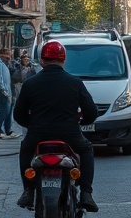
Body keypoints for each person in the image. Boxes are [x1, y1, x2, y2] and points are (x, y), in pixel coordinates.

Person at [14, 40, 99, 212]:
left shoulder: (30, 84)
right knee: (86, 149)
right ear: (63, 60)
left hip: (38, 134)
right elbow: (91, 111)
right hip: (69, 134)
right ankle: (86, 194)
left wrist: (32, 125)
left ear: (43, 61)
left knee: (25, 148)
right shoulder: (75, 83)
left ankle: (29, 190)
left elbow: (18, 115)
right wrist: (82, 122)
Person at [0, 47, 18, 139]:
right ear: (1, 54)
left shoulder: (6, 64)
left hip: (8, 91)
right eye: (7, 54)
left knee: (9, 111)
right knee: (4, 111)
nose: (9, 56)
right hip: (2, 92)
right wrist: (3, 89)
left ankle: (8, 131)